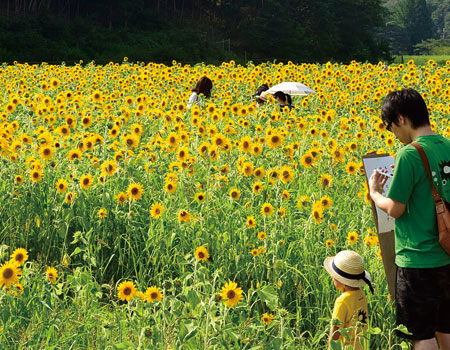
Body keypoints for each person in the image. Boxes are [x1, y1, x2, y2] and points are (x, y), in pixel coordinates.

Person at [369, 88, 450, 350]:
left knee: (421, 333)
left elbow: (395, 209)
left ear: (401, 118)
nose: (393, 133)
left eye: (390, 126)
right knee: (446, 326)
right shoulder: (447, 146)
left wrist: (375, 194)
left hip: (418, 259)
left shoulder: (409, 154)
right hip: (447, 255)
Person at [324, 250, 372, 350]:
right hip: (361, 346)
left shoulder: (342, 301)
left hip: (346, 347)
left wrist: (330, 347)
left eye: (334, 277)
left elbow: (336, 329)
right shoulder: (361, 295)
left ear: (343, 281)